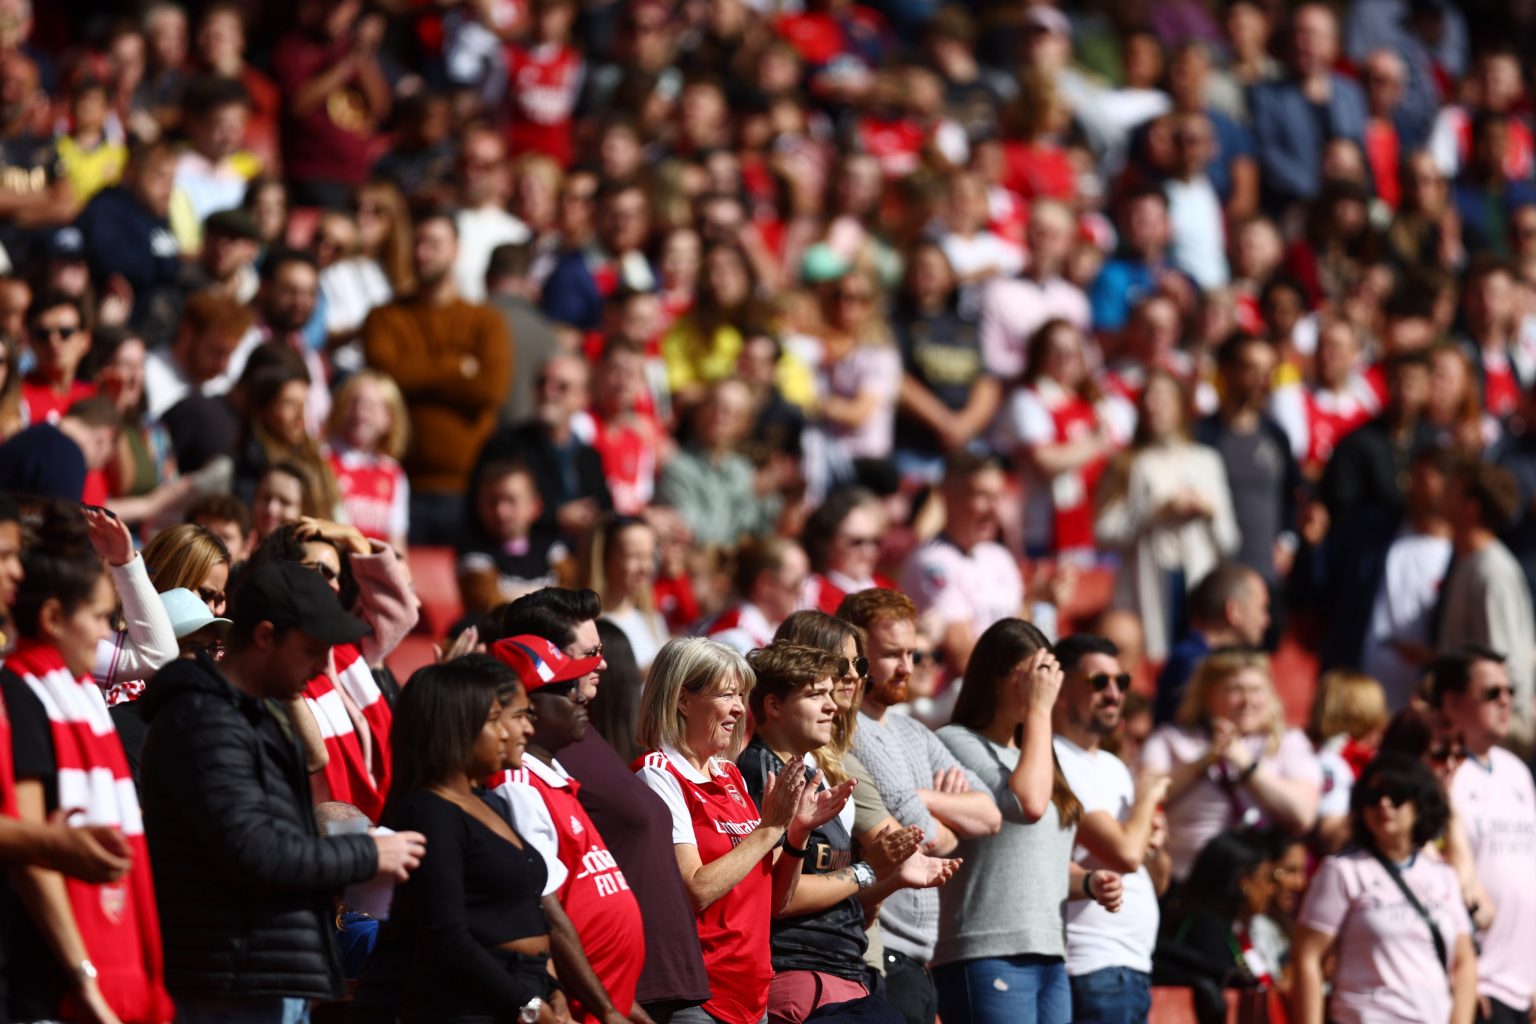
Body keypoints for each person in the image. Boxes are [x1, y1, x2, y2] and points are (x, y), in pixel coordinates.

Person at [138, 560, 426, 1018]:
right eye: (311, 651)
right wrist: (369, 854)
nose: (318, 670)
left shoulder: (251, 715)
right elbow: (255, 850)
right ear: (265, 636)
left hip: (261, 973)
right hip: (231, 981)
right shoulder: (204, 720)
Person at [495, 588, 712, 1022]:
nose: (602, 664)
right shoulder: (523, 771)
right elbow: (543, 905)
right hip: (596, 1000)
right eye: (589, 654)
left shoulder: (570, 742)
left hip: (634, 989)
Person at [0, 503, 172, 1024]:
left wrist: (127, 566)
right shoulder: (24, 690)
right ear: (54, 618)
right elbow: (32, 853)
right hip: (36, 979)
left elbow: (158, 657)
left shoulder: (68, 683)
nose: (15, 570)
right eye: (5, 555)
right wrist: (87, 981)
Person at [635, 636, 855, 1024]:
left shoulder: (729, 774)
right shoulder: (659, 774)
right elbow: (696, 889)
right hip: (700, 996)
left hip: (752, 995)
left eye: (741, 695)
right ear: (683, 700)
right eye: (727, 695)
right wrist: (770, 830)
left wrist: (797, 832)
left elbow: (775, 900)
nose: (740, 709)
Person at [737, 642, 957, 1024]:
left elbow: (840, 898)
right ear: (773, 706)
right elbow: (780, 895)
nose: (832, 706)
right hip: (802, 977)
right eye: (815, 695)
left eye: (830, 693)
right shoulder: (764, 774)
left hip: (846, 976)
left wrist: (893, 878)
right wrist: (868, 870)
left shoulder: (810, 775)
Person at [933, 619, 1124, 1024]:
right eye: (1032, 675)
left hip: (1050, 953)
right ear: (996, 679)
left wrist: (1088, 881)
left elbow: (1037, 862)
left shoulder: (1036, 757)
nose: (1044, 688)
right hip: (985, 950)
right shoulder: (956, 741)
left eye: (1047, 677)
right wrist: (1041, 712)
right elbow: (1027, 805)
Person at [363, 655, 568, 1022]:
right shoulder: (429, 813)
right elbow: (445, 937)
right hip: (472, 1004)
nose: (508, 733)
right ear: (456, 727)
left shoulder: (484, 804)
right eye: (493, 721)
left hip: (523, 988)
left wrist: (551, 991)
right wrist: (527, 1006)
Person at [841, 588, 1002, 1024]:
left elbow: (989, 815)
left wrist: (923, 797)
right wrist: (944, 813)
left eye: (914, 653)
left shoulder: (914, 730)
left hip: (919, 957)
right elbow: (921, 836)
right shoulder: (848, 731)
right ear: (856, 654)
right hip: (881, 951)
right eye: (893, 654)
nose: (907, 668)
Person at [486, 635, 647, 1023]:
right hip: (577, 1010)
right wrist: (606, 1008)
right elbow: (547, 911)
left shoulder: (554, 779)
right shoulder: (517, 786)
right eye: (564, 688)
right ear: (527, 706)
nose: (581, 696)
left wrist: (625, 1008)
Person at [361, 207, 511, 546]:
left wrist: (415, 375)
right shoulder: (384, 318)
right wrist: (455, 366)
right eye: (417, 243)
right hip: (398, 481)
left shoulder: (486, 322)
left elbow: (490, 389)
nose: (421, 253)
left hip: (467, 488)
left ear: (457, 249)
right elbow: (386, 377)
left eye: (433, 243)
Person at [1291, 753, 1477, 1024]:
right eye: (1372, 795)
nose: (1383, 804)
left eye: (1397, 795)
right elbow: (1307, 956)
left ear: (1420, 804)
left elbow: (1465, 961)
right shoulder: (1342, 871)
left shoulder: (1443, 876)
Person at [1052, 634, 1172, 1023]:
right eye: (1098, 681)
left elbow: (1157, 877)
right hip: (1092, 965)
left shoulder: (1116, 767)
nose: (1113, 693)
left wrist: (1151, 838)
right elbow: (1124, 853)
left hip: (1132, 965)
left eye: (1121, 682)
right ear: (1061, 687)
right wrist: (1145, 801)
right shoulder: (1053, 760)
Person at [1095, 370, 1240, 661]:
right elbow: (1104, 533)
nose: (1153, 404)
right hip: (1146, 586)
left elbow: (1229, 541)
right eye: (1148, 397)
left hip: (1195, 580)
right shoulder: (1130, 462)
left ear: (1181, 405)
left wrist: (1208, 512)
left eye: (1162, 396)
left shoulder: (1206, 460)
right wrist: (1155, 512)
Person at [1140, 649, 1322, 881]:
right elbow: (1145, 800)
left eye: (1256, 690)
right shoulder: (1169, 739)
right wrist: (1205, 760)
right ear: (1208, 694)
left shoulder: (1289, 742)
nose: (1248, 701)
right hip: (1187, 881)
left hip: (1260, 886)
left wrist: (1245, 764)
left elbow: (1303, 815)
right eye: (1236, 690)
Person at [1429, 647, 1536, 1023]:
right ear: (1452, 703)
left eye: (1510, 692)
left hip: (1524, 984)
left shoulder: (1517, 772)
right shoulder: (1440, 775)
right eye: (1491, 693)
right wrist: (1464, 977)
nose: (1506, 702)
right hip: (1477, 985)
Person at [1436, 460, 1536, 743]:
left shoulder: (1493, 571)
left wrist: (1502, 728)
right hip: (1470, 730)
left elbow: (1503, 661)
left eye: (1452, 490)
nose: (1443, 494)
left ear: (1472, 507)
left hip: (1493, 737)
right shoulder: (1467, 561)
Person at [901, 453, 1027, 674]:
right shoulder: (932, 561)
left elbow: (1022, 631)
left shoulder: (999, 556)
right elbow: (964, 658)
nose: (994, 509)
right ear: (948, 497)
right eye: (982, 496)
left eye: (998, 497)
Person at [656, 378, 782, 548]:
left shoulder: (742, 470)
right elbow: (698, 536)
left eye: (732, 412)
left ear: (746, 424)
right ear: (700, 411)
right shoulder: (676, 466)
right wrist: (748, 497)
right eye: (714, 406)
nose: (720, 417)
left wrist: (769, 498)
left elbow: (759, 532)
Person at [1155, 563, 1271, 724]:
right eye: (1262, 609)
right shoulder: (1191, 662)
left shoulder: (1191, 656)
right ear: (1234, 611)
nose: (1266, 621)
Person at [458, 461, 568, 614]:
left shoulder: (555, 551)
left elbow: (573, 598)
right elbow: (492, 607)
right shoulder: (473, 557)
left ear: (535, 506)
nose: (500, 511)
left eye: (511, 500)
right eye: (492, 501)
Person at [324, 368, 410, 552]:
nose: (360, 412)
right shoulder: (322, 460)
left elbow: (397, 547)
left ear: (390, 418)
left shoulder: (393, 474)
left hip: (373, 573)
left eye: (371, 406)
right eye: (353, 402)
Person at [0, 393, 119, 502]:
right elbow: (61, 522)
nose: (94, 469)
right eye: (105, 459)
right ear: (106, 436)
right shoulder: (68, 456)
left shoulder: (31, 435)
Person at [702, 537, 809, 656]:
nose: (802, 593)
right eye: (794, 585)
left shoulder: (773, 631)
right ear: (767, 585)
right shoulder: (733, 638)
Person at [801, 488, 898, 616]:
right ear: (824, 544)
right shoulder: (810, 592)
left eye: (875, 542)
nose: (868, 550)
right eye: (856, 542)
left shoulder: (887, 588)